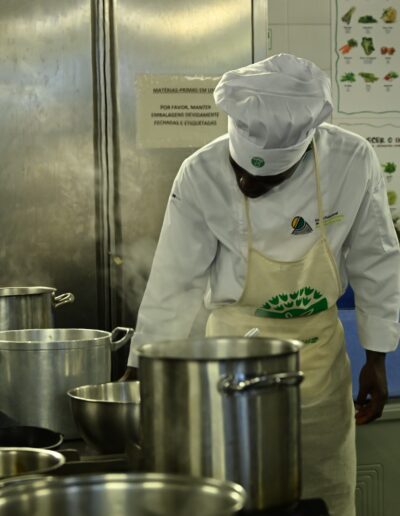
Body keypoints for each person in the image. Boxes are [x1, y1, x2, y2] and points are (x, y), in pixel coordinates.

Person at [122, 54, 400, 515]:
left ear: (304, 149)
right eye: (241, 171)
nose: (246, 183)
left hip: (317, 362)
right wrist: (138, 375)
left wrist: (378, 357)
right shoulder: (200, 172)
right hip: (230, 366)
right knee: (235, 495)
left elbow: (378, 257)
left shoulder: (351, 160)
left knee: (323, 494)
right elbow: (174, 281)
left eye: (266, 177)